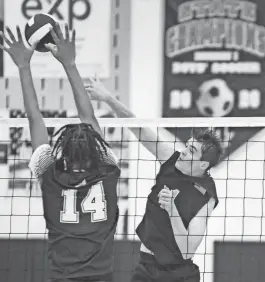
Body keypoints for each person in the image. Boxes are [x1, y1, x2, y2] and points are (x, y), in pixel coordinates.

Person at [0, 24, 120, 282]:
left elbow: (34, 120)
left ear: (62, 152)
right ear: (96, 149)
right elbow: (88, 117)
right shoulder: (108, 169)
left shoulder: (50, 173)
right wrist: (70, 64)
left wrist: (23, 67)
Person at [85, 78, 222, 282]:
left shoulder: (207, 196)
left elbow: (187, 250)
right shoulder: (171, 159)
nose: (183, 151)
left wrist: (172, 210)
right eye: (187, 145)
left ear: (203, 165)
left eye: (191, 151)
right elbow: (137, 127)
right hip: (146, 267)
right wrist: (107, 98)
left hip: (179, 274)